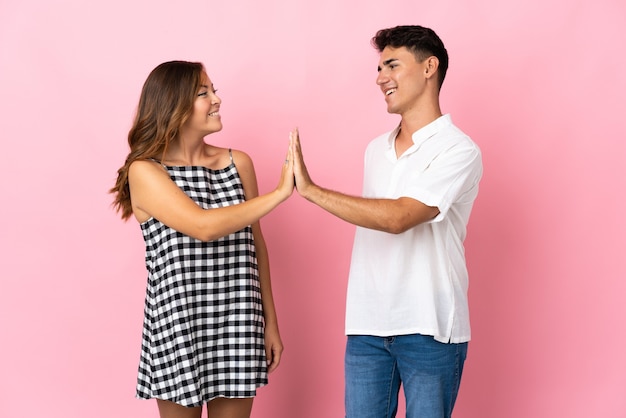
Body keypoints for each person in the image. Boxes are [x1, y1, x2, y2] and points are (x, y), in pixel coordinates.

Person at [291, 25, 483, 418]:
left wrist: (311, 190)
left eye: (392, 65)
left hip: (430, 326)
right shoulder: (375, 150)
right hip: (367, 326)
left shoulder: (459, 150)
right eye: (379, 68)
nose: (380, 78)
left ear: (429, 67)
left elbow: (400, 217)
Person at [110, 60, 295, 418]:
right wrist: (278, 194)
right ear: (173, 104)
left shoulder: (237, 163)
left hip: (239, 318)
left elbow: (257, 246)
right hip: (178, 323)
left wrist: (270, 323)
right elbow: (203, 225)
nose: (216, 99)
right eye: (203, 93)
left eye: (214, 90)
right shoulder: (145, 171)